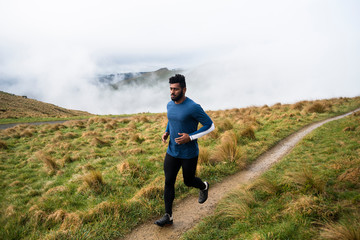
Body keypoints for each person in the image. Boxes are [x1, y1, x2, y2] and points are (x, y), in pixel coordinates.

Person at [155, 74, 215, 227]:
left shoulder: (193, 107)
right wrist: (167, 131)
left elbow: (210, 125)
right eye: (170, 89)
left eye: (175, 89)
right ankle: (168, 215)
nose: (172, 92)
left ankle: (204, 186)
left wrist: (191, 137)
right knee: (169, 182)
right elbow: (172, 119)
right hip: (172, 151)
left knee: (188, 181)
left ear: (184, 89)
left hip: (189, 153)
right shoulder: (169, 104)